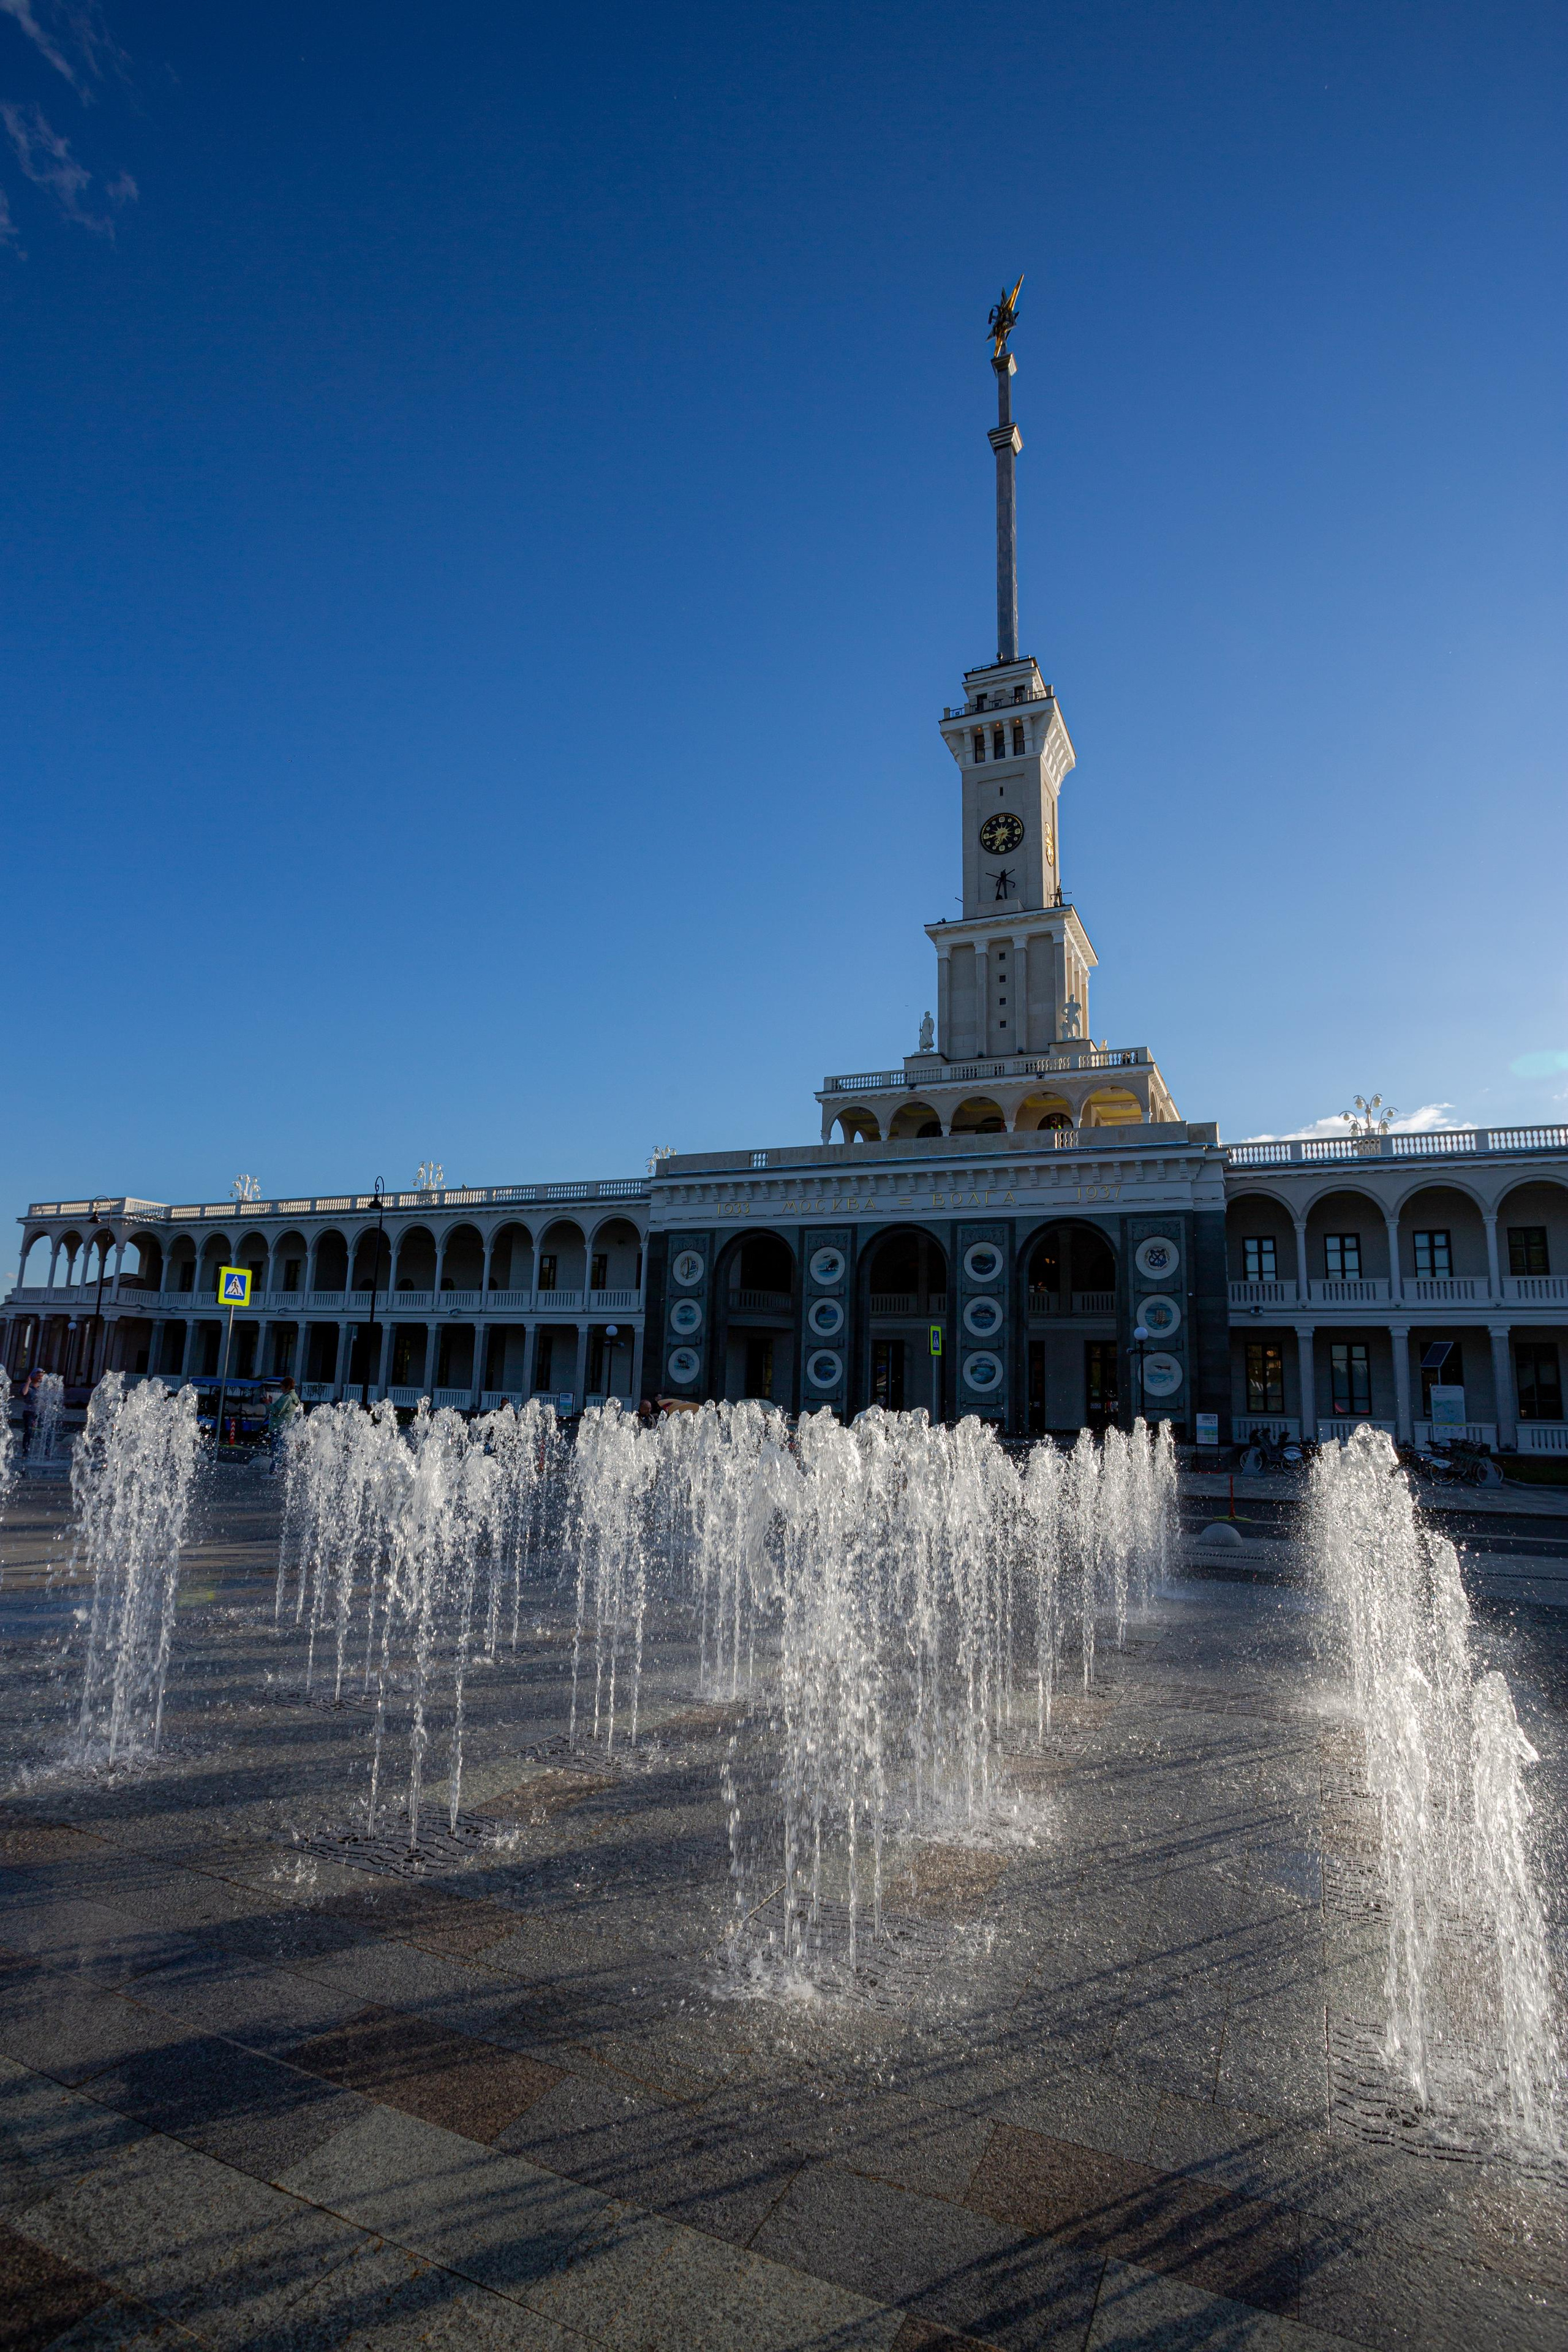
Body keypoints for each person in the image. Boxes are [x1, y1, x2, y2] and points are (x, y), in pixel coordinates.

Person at [266, 1374, 301, 1467]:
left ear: (287, 1387)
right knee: (284, 1450)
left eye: (282, 1386)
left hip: (279, 1427)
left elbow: (277, 1412)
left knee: (277, 1450)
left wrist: (268, 1404)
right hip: (286, 1426)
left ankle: (273, 1472)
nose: (281, 1388)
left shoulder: (287, 1398)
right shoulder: (294, 1397)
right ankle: (283, 1471)